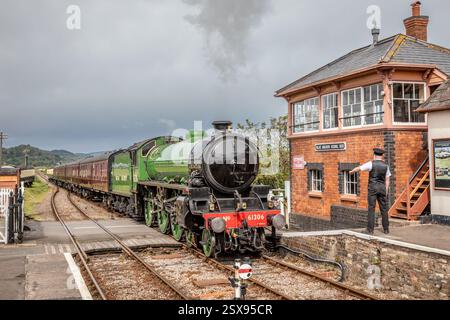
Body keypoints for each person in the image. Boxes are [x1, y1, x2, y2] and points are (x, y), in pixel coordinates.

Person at [350, 148, 391, 235]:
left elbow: (359, 168)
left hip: (373, 188)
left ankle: (370, 230)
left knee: (371, 208)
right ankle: (386, 229)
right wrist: (386, 191)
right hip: (382, 188)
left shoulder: (371, 163)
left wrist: (351, 171)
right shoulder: (386, 166)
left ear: (374, 155)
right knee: (384, 209)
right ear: (382, 156)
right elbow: (387, 180)